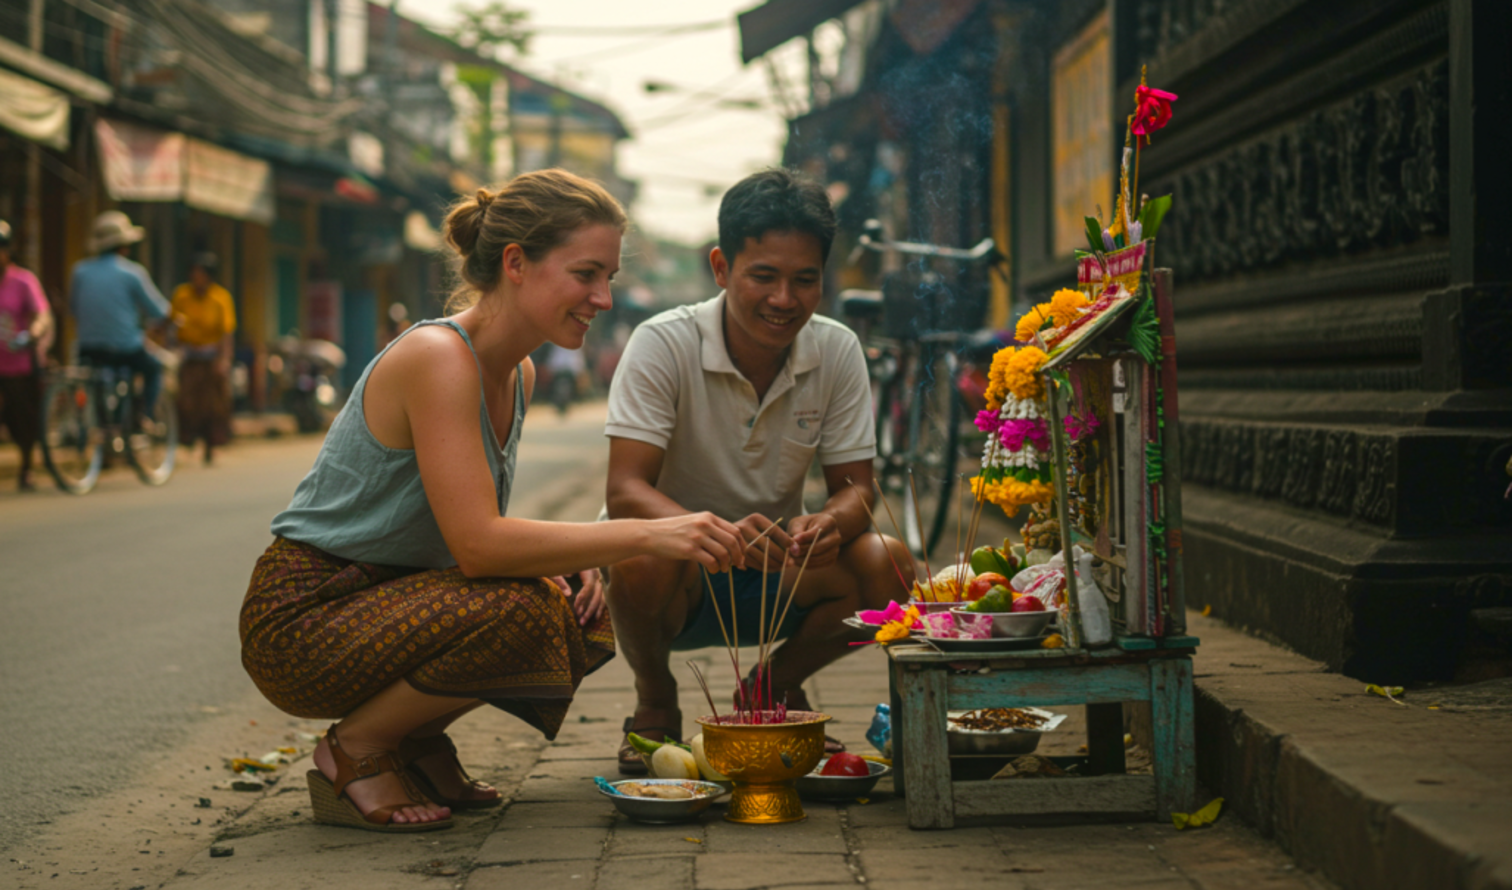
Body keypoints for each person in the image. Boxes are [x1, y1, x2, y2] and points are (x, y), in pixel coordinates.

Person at [240, 169, 750, 833]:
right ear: (516, 263)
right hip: (304, 620)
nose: (601, 297)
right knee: (528, 608)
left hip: (387, 601)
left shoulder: (518, 368)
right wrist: (648, 535)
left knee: (579, 607)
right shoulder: (438, 356)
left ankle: (414, 741)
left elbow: (466, 538)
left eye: (610, 279)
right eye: (586, 274)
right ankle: (356, 749)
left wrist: (573, 564)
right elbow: (480, 547)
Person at [604, 169, 914, 774]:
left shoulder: (837, 348)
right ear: (721, 268)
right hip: (678, 578)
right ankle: (655, 697)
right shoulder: (661, 343)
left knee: (894, 565)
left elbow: (857, 489)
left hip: (783, 567)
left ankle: (772, 688)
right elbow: (624, 492)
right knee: (640, 554)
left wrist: (827, 523)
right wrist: (711, 533)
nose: (784, 300)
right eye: (763, 277)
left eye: (804, 280)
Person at [69, 210, 170, 423]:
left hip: (87, 348)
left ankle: (105, 425)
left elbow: (74, 310)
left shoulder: (79, 271)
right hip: (124, 348)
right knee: (153, 367)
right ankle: (144, 417)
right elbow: (159, 311)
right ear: (124, 245)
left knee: (94, 380)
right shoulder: (132, 273)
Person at [0, 219, 54, 491]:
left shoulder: (23, 281)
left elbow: (42, 313)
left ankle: (26, 467)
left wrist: (33, 332)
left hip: (18, 364)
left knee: (22, 418)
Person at [170, 252, 236, 465]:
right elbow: (172, 322)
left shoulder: (221, 297)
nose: (196, 277)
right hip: (189, 357)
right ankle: (187, 439)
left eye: (200, 273)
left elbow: (227, 332)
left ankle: (211, 445)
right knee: (187, 401)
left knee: (214, 405)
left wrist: (224, 360)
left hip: (211, 359)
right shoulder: (181, 294)